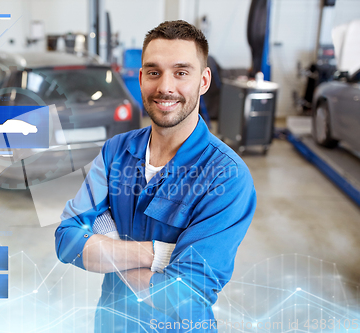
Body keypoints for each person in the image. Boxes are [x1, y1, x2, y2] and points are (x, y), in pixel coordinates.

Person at [55, 20, 257, 332]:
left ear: (203, 81)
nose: (165, 87)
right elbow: (67, 240)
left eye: (181, 72)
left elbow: (184, 296)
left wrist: (106, 242)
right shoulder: (115, 152)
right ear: (140, 78)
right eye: (153, 72)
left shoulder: (227, 177)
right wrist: (159, 254)